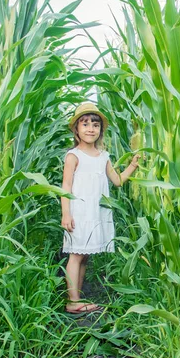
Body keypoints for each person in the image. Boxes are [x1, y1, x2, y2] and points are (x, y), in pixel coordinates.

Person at [61, 102, 140, 314]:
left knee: (85, 255)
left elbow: (117, 180)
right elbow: (66, 186)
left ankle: (76, 295)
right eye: (85, 124)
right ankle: (73, 301)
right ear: (76, 129)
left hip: (95, 212)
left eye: (95, 125)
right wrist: (66, 213)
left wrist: (132, 166)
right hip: (79, 213)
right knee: (76, 255)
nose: (90, 128)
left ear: (100, 130)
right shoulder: (73, 156)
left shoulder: (103, 156)